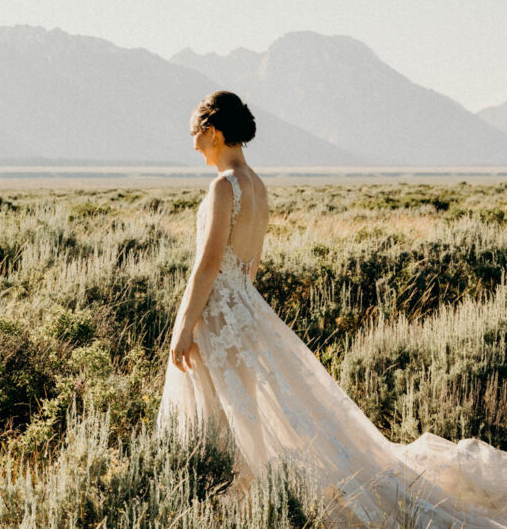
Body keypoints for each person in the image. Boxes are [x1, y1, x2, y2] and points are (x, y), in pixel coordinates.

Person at [158, 91, 507, 526]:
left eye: (195, 131)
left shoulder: (222, 187)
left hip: (218, 316)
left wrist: (184, 326)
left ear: (214, 131)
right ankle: (244, 501)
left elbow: (207, 266)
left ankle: (230, 503)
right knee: (244, 408)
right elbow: (250, 265)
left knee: (224, 414)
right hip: (245, 311)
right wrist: (240, 310)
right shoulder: (257, 185)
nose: (192, 141)